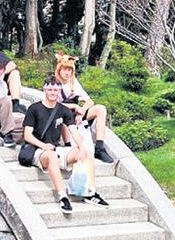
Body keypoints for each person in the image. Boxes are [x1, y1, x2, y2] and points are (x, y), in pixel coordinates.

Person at [22, 75, 109, 214]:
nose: (52, 93)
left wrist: (81, 147)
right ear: (45, 90)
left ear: (59, 91)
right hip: (38, 150)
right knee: (51, 155)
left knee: (86, 151)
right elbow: (27, 135)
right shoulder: (34, 108)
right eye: (50, 89)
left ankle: (90, 192)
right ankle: (62, 196)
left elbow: (73, 130)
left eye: (55, 90)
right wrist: (43, 146)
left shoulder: (63, 110)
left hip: (56, 148)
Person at [54, 52, 114, 163]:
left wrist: (81, 112)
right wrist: (74, 106)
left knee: (100, 109)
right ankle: (68, 145)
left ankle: (99, 147)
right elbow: (53, 104)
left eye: (69, 70)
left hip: (76, 114)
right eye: (65, 69)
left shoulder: (73, 82)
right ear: (59, 70)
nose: (67, 73)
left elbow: (89, 101)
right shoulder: (54, 83)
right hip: (61, 115)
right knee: (63, 115)